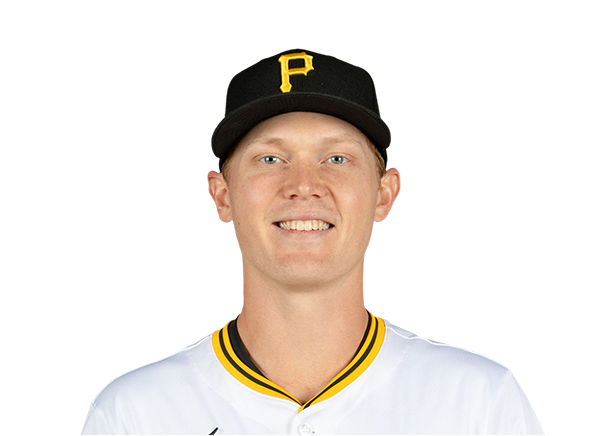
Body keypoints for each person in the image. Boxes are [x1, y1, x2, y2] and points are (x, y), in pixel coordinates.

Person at [82, 52, 544, 435]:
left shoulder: (478, 402)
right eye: (270, 158)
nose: (304, 185)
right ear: (223, 196)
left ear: (383, 195)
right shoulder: (134, 414)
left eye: (336, 158)